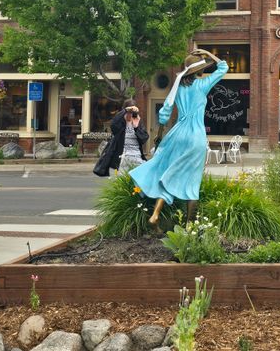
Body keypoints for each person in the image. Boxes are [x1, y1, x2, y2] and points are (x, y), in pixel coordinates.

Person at [130, 49, 228, 226]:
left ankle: (156, 214)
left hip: (177, 134)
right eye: (203, 68)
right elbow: (223, 67)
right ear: (198, 70)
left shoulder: (178, 87)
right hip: (195, 135)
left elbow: (165, 113)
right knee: (192, 182)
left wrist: (159, 135)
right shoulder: (202, 85)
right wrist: (208, 53)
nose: (204, 71)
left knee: (169, 173)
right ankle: (190, 226)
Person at [93, 99, 149, 177]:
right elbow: (113, 125)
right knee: (124, 181)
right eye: (129, 112)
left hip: (137, 157)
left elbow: (144, 138)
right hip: (123, 158)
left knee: (139, 182)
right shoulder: (120, 124)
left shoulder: (137, 122)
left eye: (132, 112)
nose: (130, 114)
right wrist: (125, 111)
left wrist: (136, 127)